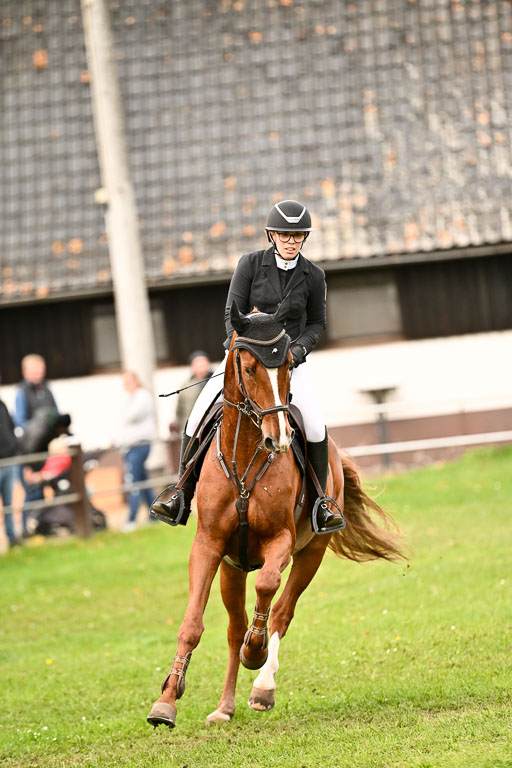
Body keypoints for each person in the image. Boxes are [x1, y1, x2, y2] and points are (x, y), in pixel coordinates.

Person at [153, 199, 344, 533]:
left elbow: (316, 323)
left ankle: (320, 505)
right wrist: (240, 351)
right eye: (284, 234)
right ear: (272, 234)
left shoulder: (313, 276)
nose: (290, 241)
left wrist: (297, 352)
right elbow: (232, 314)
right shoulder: (250, 265)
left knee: (314, 425)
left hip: (287, 366)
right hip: (245, 361)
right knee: (198, 412)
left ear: (304, 239)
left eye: (297, 236)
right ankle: (180, 492)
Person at [13, 354, 59, 536]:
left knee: (43, 490)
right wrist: (38, 432)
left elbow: (55, 413)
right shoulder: (22, 392)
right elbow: (21, 421)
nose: (38, 373)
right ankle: (24, 530)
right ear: (25, 372)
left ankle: (42, 527)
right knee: (31, 491)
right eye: (34, 370)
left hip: (47, 449)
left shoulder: (47, 389)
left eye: (40, 369)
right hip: (30, 450)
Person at [119, 371, 157, 531]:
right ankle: (154, 514)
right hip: (130, 445)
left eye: (129, 380)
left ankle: (131, 519)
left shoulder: (142, 396)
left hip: (139, 444)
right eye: (124, 381)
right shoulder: (130, 398)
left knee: (133, 481)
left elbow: (130, 416)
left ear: (136, 380)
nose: (127, 384)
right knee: (142, 480)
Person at [0, 394, 21, 549]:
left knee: (9, 504)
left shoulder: (2, 404)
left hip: (9, 461)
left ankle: (12, 537)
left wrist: (14, 449)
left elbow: (11, 427)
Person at [175, 351, 213, 435]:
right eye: (199, 365)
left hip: (212, 428)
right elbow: (179, 411)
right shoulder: (186, 386)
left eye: (204, 364)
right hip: (191, 429)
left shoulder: (216, 383)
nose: (202, 367)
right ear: (192, 367)